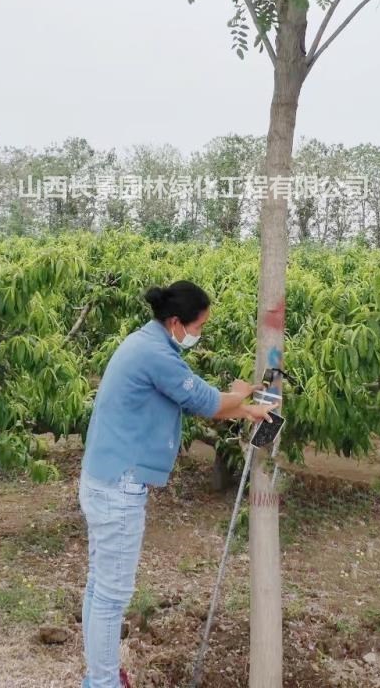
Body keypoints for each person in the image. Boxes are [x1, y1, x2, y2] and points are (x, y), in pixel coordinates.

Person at [77, 280, 279, 688]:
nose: (199, 334)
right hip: (119, 488)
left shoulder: (148, 344)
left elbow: (200, 402)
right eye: (199, 326)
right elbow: (206, 402)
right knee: (112, 595)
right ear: (175, 322)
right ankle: (102, 683)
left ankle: (99, 676)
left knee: (101, 588)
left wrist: (245, 407)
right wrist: (240, 397)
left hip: (105, 480)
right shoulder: (156, 355)